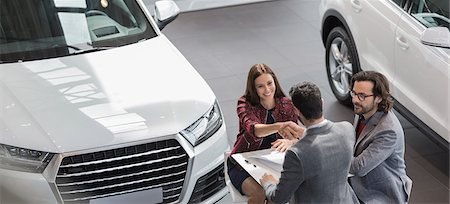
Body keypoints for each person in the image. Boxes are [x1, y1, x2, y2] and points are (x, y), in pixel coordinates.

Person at [260, 81, 359, 204]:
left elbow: (279, 198)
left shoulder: (297, 153)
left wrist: (268, 183)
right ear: (321, 103)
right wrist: (304, 132)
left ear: (296, 111)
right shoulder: (347, 129)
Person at [228, 63, 300, 204]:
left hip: (274, 164)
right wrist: (279, 126)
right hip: (242, 164)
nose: (267, 89)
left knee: (276, 195)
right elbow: (254, 129)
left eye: (269, 83)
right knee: (259, 193)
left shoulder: (287, 104)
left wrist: (290, 141)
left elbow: (298, 137)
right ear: (253, 88)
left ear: (275, 82)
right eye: (260, 86)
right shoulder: (244, 104)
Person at [349, 71, 412, 203]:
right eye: (354, 93)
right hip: (360, 183)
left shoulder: (388, 131)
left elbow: (358, 167)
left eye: (362, 95)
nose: (355, 100)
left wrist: (329, 152)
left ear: (378, 98)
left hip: (380, 193)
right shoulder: (363, 110)